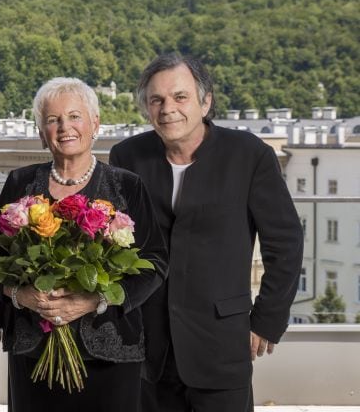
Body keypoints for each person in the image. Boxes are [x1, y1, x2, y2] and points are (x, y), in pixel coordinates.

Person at [109, 53, 304, 412]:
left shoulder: (248, 154)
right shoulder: (126, 157)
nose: (168, 109)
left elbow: (286, 242)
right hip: (147, 346)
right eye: (157, 100)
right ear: (146, 109)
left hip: (222, 341)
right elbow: (114, 245)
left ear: (205, 101)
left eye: (180, 97)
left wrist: (268, 319)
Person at [0, 77, 167, 412]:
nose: (65, 127)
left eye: (75, 116)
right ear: (41, 132)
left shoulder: (127, 186)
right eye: (52, 120)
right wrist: (22, 295)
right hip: (34, 351)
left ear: (95, 124)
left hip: (112, 351)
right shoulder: (20, 184)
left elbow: (155, 262)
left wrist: (95, 300)